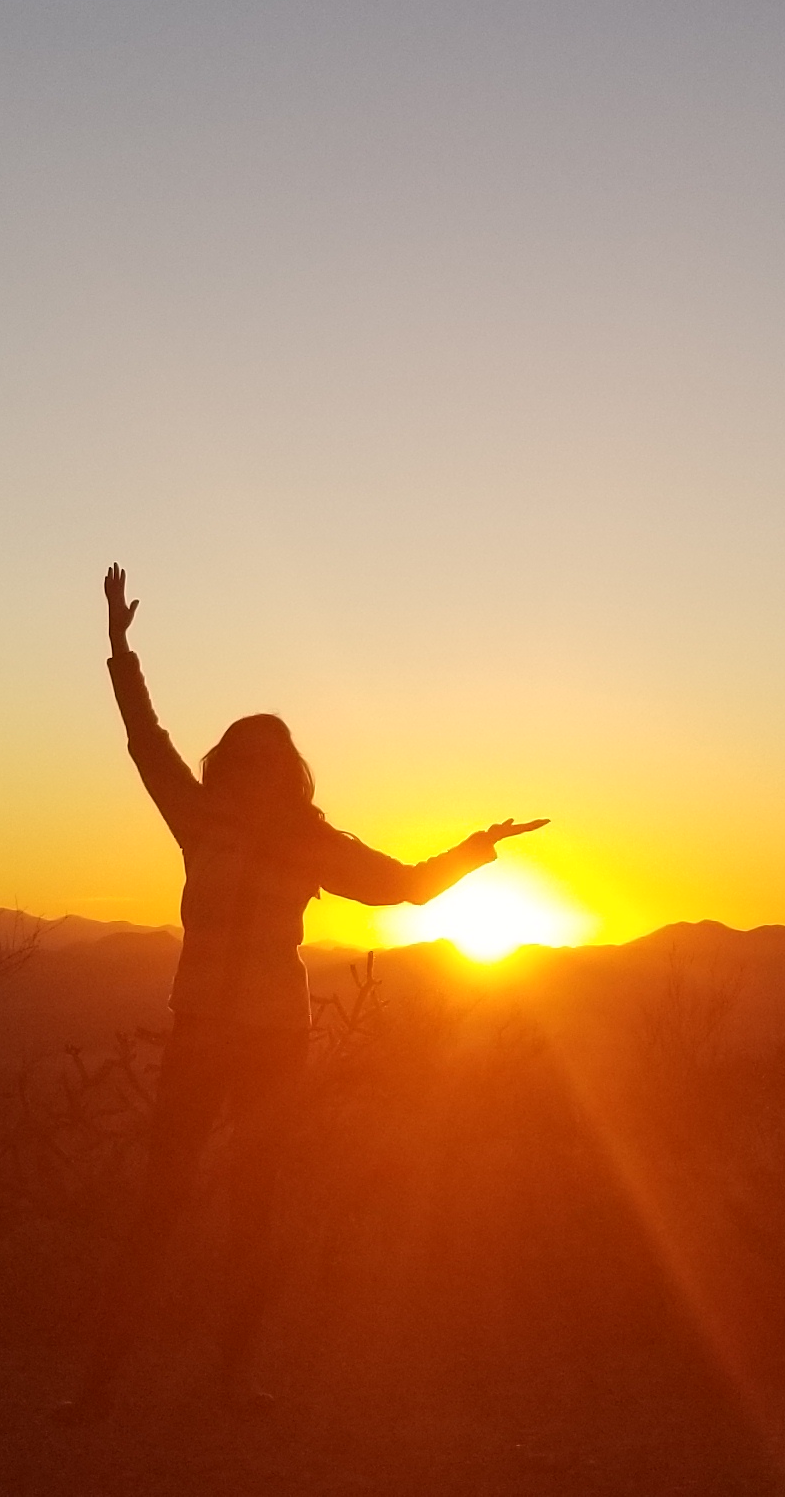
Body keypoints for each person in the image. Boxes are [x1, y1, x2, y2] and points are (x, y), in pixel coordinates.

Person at [63, 564, 546, 1418]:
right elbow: (146, 739)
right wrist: (118, 648)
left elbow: (404, 885)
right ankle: (98, 1385)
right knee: (161, 1203)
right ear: (227, 766)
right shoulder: (197, 816)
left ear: (284, 771)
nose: (251, 771)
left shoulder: (306, 843)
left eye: (264, 760)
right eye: (241, 758)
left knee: (256, 1207)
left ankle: (227, 1384)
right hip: (202, 1029)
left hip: (270, 1037)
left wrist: (478, 847)